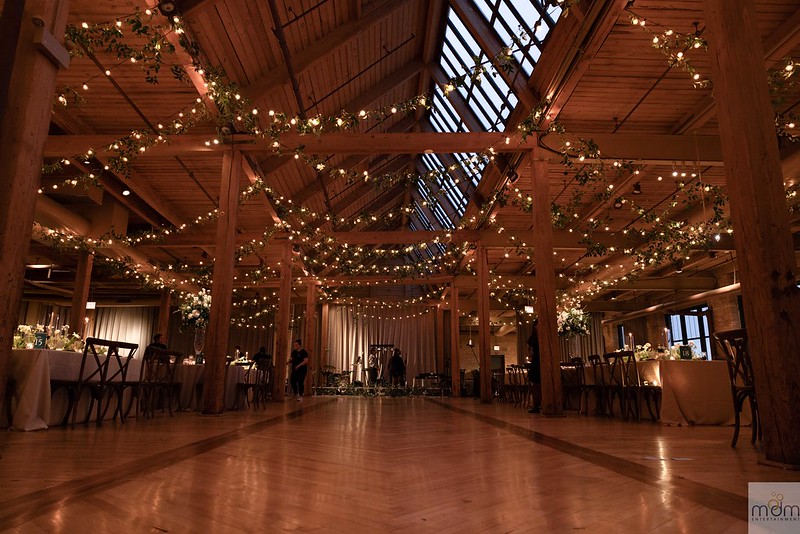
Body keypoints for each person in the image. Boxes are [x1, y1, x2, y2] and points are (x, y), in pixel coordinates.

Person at [527, 319, 541, 414]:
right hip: (537, 361)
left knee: (538, 385)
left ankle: (541, 404)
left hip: (540, 361)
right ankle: (536, 405)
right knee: (536, 385)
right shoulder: (533, 338)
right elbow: (530, 349)